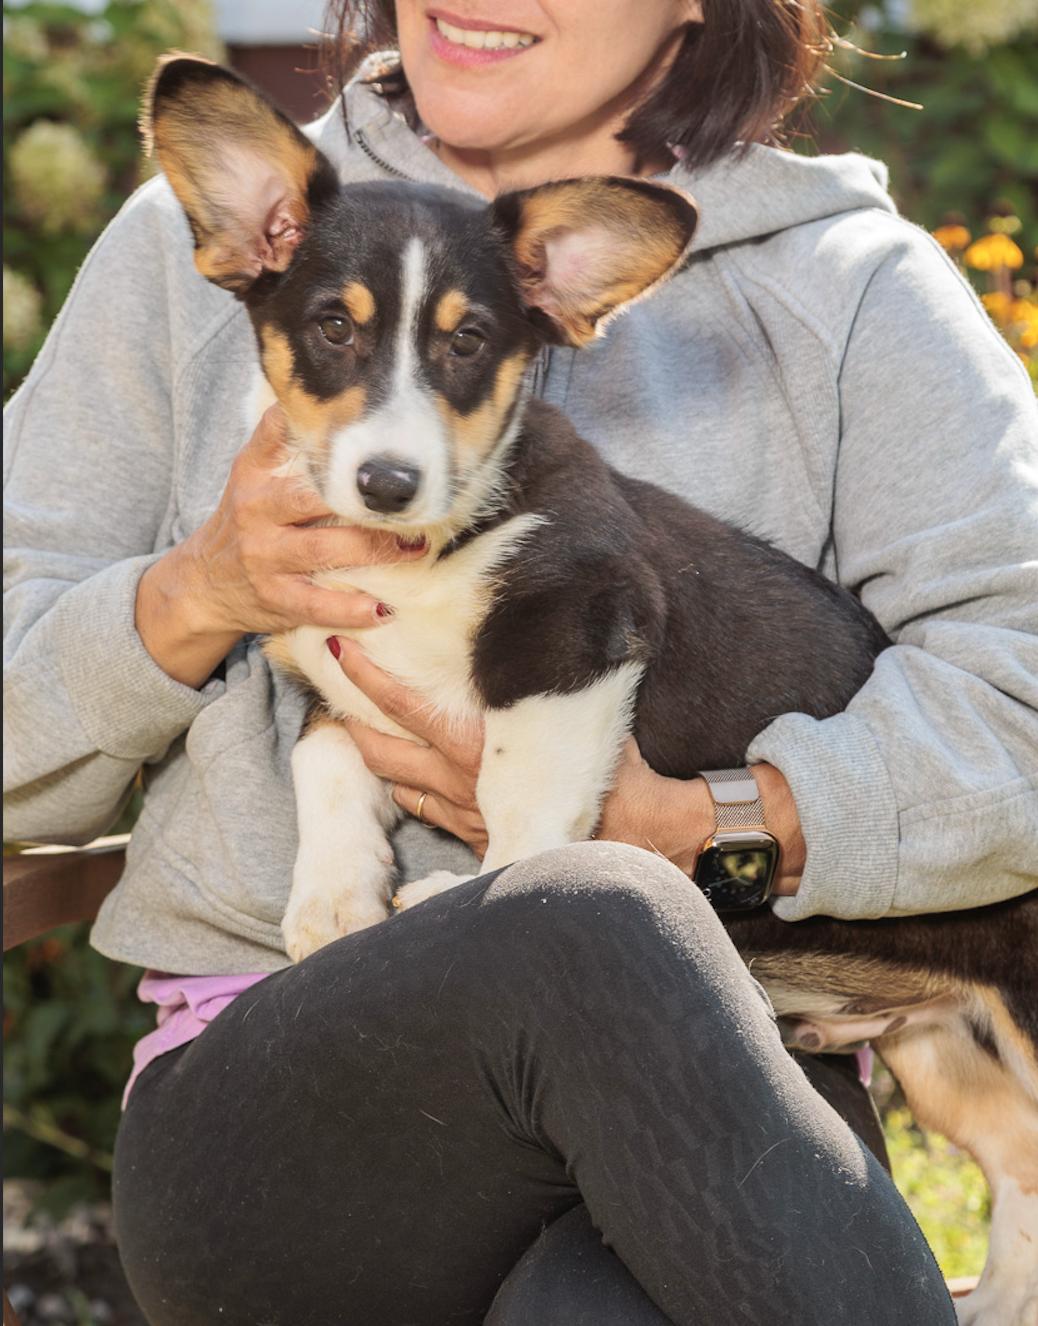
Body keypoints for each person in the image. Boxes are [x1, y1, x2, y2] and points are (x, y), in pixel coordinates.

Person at [4, 0, 1035, 1321]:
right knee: (583, 912)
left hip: (715, 1095)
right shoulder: (209, 243)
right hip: (291, 1112)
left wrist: (718, 825)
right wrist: (197, 591)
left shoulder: (850, 290)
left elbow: (1019, 701)